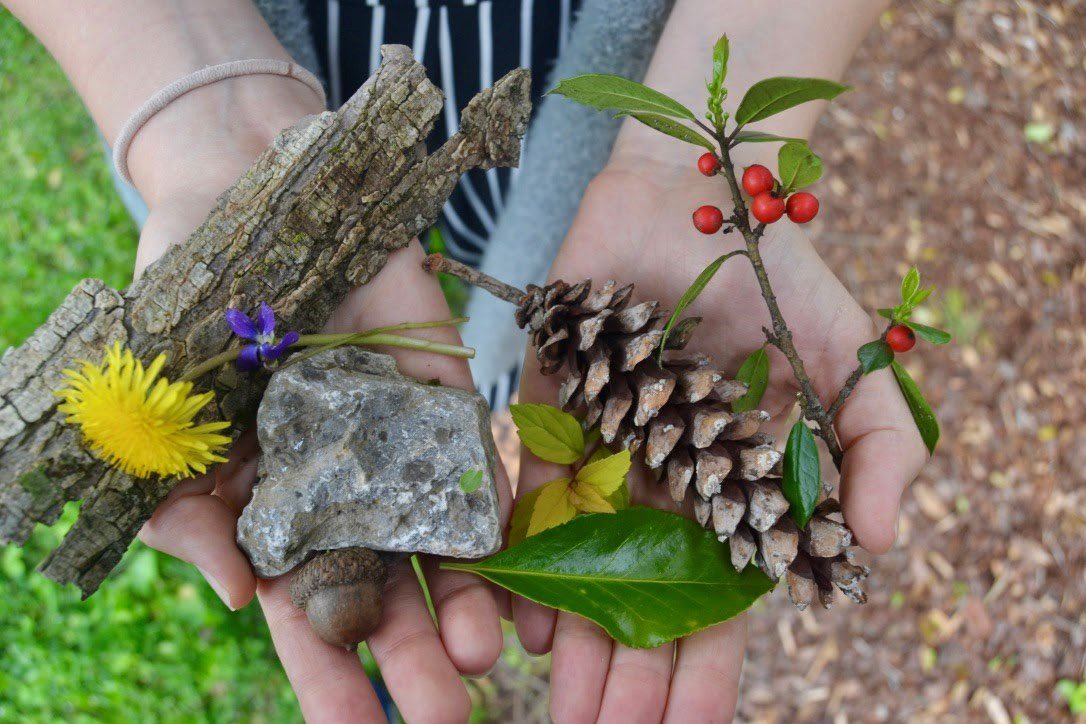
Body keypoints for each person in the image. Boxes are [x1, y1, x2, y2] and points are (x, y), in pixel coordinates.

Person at [7, 1, 927, 721]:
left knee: (500, 346)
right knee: (485, 347)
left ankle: (494, 367)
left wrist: (681, 149)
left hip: (581, 124)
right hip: (287, 138)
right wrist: (206, 101)